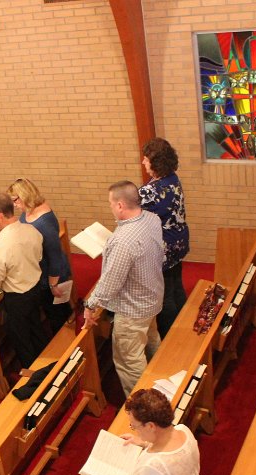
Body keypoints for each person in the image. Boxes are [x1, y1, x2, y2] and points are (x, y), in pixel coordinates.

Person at [82, 182, 165, 396]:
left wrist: (90, 305)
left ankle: (145, 405)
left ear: (120, 205)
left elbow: (111, 283)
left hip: (132, 309)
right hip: (152, 296)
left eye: (110, 203)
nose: (110, 207)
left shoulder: (122, 241)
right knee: (151, 341)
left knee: (129, 360)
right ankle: (161, 384)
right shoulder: (152, 219)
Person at [0, 193, 48, 368]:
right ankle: (48, 365)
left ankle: (33, 376)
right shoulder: (32, 231)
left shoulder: (0, 248)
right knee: (36, 329)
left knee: (22, 340)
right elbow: (38, 257)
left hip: (17, 299)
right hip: (36, 289)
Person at [7, 178, 73, 332]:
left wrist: (53, 284)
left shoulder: (43, 222)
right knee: (51, 309)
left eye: (15, 200)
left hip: (50, 273)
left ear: (24, 195)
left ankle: (64, 338)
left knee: (57, 312)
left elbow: (54, 256)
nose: (14, 205)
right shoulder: (28, 210)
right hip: (40, 268)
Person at [139, 137, 190, 337]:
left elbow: (133, 215)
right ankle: (183, 323)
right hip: (178, 240)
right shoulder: (172, 178)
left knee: (165, 295)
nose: (143, 162)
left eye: (146, 159)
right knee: (176, 285)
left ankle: (171, 337)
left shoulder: (150, 191)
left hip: (163, 247)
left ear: (156, 162)